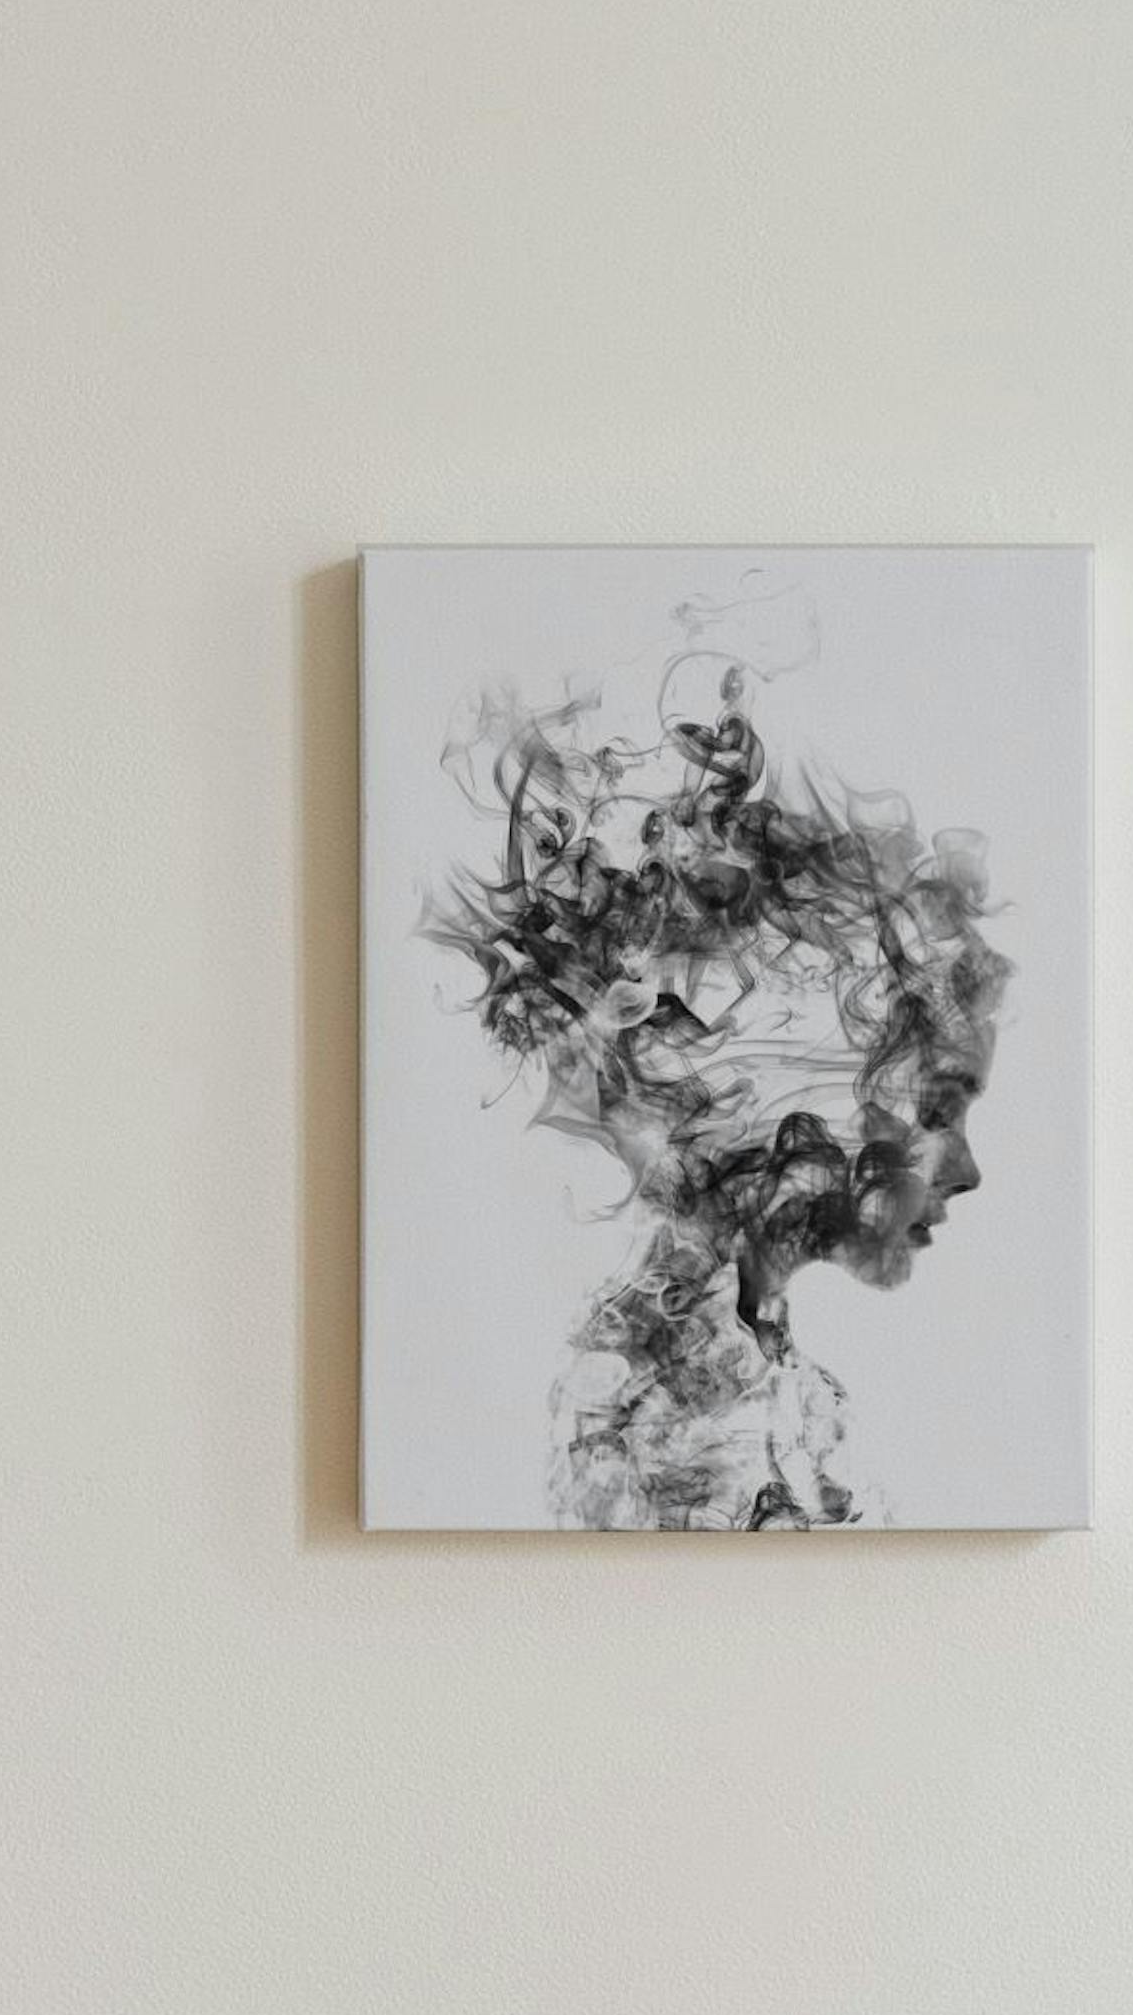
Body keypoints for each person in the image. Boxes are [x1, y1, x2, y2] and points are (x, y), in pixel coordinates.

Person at [428, 649, 1007, 1528]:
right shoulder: (677, 1420)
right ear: (768, 1093)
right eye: (934, 1111)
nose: (965, 1170)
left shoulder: (746, 1375)